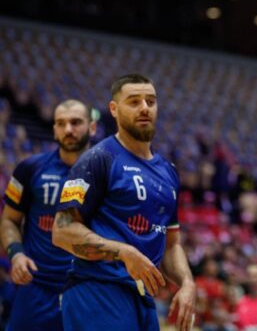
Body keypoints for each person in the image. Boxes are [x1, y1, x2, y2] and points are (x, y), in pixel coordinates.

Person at [51, 74, 196, 331]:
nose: (144, 108)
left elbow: (171, 244)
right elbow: (62, 231)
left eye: (150, 101)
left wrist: (186, 283)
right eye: (134, 101)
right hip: (97, 290)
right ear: (114, 110)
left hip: (141, 299)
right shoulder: (98, 159)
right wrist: (123, 252)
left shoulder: (168, 171)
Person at [1, 99, 96, 331]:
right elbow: (9, 220)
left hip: (87, 288)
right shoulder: (29, 168)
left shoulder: (108, 175)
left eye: (76, 122)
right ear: (54, 129)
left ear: (92, 127)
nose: (68, 130)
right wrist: (16, 255)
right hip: (36, 287)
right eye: (61, 124)